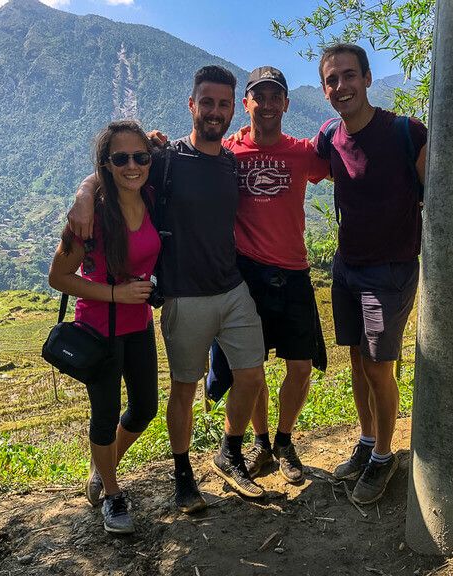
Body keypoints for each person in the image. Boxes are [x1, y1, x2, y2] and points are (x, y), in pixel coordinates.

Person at [68, 66, 268, 513]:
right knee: (183, 389)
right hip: (184, 295)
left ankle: (229, 452)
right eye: (207, 102)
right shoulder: (165, 159)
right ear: (192, 105)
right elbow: (117, 169)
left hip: (232, 288)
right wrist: (83, 193)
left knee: (252, 376)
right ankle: (182, 475)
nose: (215, 111)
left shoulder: (231, 161)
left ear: (233, 108)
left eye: (223, 103)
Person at [315, 44, 427, 504]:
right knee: (358, 361)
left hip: (391, 270)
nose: (341, 86)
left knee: (380, 365)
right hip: (347, 267)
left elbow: (435, 195)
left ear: (366, 78)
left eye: (348, 76)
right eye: (332, 80)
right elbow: (299, 166)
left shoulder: (405, 132)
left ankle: (385, 454)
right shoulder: (329, 137)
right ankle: (366, 441)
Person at [207, 66, 329, 484]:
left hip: (294, 272)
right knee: (249, 365)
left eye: (276, 96)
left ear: (286, 104)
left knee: (300, 366)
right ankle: (260, 442)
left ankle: (284, 440)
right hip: (247, 275)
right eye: (260, 96)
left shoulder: (302, 153)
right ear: (247, 104)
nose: (268, 104)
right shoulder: (228, 152)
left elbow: (347, 164)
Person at [48, 120, 160, 535]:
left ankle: (102, 464)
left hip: (139, 324)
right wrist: (115, 295)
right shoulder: (89, 217)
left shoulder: (151, 196)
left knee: (146, 407)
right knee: (105, 412)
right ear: (106, 164)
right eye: (121, 158)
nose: (132, 165)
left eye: (140, 156)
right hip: (100, 329)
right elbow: (58, 277)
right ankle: (112, 495)